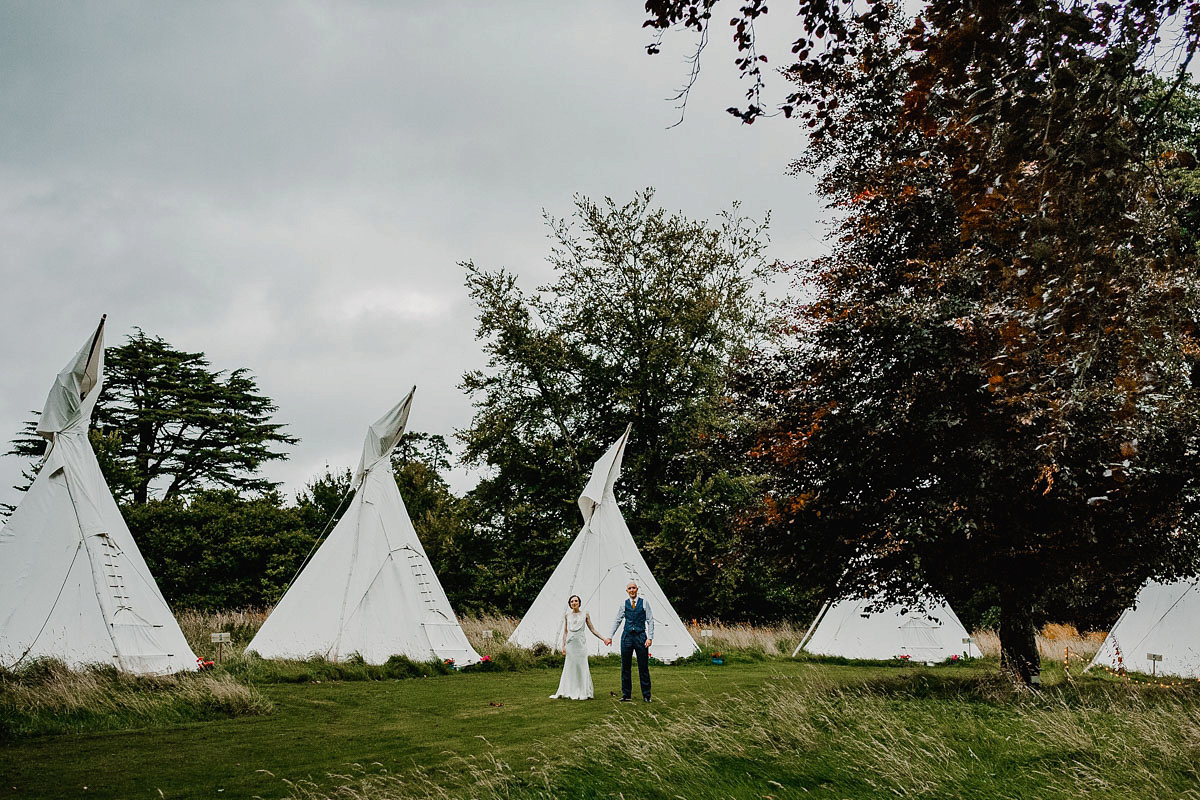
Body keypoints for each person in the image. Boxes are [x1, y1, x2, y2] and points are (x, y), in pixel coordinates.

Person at [550, 594, 606, 700]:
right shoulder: (567, 615)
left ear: (579, 603)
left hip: (580, 645)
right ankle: (569, 690)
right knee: (570, 667)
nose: (574, 603)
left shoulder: (585, 614)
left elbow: (592, 629)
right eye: (572, 601)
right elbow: (565, 631)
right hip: (570, 645)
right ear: (570, 604)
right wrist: (563, 646)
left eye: (576, 601)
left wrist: (603, 639)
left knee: (581, 667)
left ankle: (583, 690)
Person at [606, 581, 654, 702]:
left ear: (637, 589)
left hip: (640, 636)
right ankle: (626, 694)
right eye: (629, 588)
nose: (632, 590)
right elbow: (618, 620)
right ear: (626, 591)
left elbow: (650, 620)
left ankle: (646, 695)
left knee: (643, 667)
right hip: (627, 636)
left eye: (633, 588)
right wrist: (610, 636)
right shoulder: (624, 604)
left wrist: (650, 638)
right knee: (625, 666)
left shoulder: (644, 603)